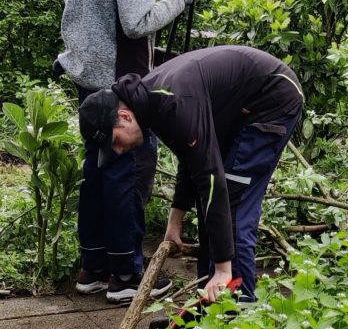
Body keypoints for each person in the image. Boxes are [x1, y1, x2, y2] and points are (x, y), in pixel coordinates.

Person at [58, 0, 196, 303]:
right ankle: (127, 277)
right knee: (126, 173)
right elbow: (138, 22)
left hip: (88, 86)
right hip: (124, 87)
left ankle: (93, 267)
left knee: (95, 172)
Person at [78, 45, 303, 303]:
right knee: (211, 199)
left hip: (272, 98)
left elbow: (209, 174)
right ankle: (211, 305)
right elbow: (192, 160)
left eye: (115, 141)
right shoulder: (152, 104)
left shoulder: (173, 100)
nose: (118, 151)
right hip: (237, 111)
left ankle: (239, 310)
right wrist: (175, 220)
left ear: (125, 116)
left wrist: (223, 268)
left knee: (232, 199)